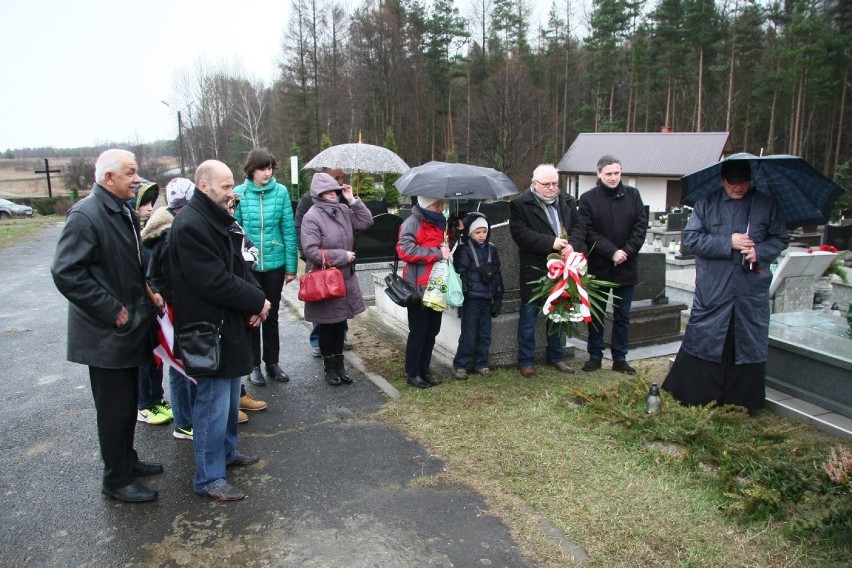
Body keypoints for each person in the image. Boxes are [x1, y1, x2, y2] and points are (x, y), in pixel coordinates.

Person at [52, 148, 162, 503]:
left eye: (137, 171)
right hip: (105, 335)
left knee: (127, 403)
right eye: (130, 173)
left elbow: (128, 264)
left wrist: (148, 292)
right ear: (108, 177)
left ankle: (126, 462)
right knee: (114, 409)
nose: (137, 179)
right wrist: (110, 308)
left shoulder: (121, 211)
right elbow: (66, 272)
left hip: (127, 330)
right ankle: (116, 479)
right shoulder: (86, 215)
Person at [170, 159, 271, 501]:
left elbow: (238, 265)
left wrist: (254, 300)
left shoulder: (218, 219)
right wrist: (256, 302)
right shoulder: (191, 225)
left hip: (226, 326)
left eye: (232, 185)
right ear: (204, 186)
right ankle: (208, 478)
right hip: (207, 330)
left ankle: (226, 454)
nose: (233, 192)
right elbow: (212, 281)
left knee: (228, 403)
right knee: (212, 406)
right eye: (226, 186)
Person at [662, 159, 789, 413]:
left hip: (749, 289)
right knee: (706, 337)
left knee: (746, 338)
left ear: (750, 180)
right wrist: (727, 242)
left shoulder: (765, 204)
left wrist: (760, 252)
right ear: (722, 181)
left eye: (742, 183)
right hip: (715, 287)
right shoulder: (707, 204)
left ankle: (742, 401)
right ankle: (696, 394)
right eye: (732, 184)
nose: (738, 188)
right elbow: (693, 240)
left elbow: (780, 239)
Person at [509, 164, 585, 378]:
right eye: (547, 184)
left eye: (555, 184)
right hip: (535, 270)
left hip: (564, 270)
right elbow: (520, 234)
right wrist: (551, 242)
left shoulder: (567, 201)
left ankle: (557, 356)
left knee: (559, 316)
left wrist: (573, 245)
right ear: (535, 184)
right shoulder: (520, 204)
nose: (552, 188)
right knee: (529, 319)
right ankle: (525, 360)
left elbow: (580, 227)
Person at [300, 172, 374, 385]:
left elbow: (366, 222)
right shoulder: (312, 216)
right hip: (325, 280)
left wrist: (352, 200)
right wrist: (342, 256)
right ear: (318, 193)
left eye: (335, 189)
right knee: (327, 325)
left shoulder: (343, 209)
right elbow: (311, 251)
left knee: (340, 323)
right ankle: (329, 367)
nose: (332, 194)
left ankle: (340, 365)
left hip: (344, 279)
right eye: (327, 191)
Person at [234, 148, 298, 386]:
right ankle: (253, 365)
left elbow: (288, 229)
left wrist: (291, 266)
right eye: (262, 168)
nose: (267, 172)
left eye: (270, 168)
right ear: (252, 170)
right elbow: (234, 229)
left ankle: (273, 362)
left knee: (271, 315)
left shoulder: (280, 192)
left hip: (275, 262)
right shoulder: (239, 193)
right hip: (249, 266)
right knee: (252, 315)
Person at [578, 155, 647, 374]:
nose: (614, 177)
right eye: (609, 173)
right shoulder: (588, 199)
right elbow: (588, 231)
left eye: (617, 173)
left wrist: (625, 251)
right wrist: (612, 252)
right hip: (600, 265)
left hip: (626, 266)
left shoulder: (633, 195)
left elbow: (640, 226)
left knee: (623, 315)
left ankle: (620, 358)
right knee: (597, 314)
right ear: (599, 174)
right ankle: (595, 356)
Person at [294, 167, 354, 357]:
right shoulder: (309, 205)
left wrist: (352, 200)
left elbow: (363, 222)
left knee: (338, 316)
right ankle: (319, 345)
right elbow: (303, 232)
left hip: (343, 267)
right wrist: (308, 256)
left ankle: (338, 355)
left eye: (341, 178)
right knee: (323, 315)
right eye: (336, 178)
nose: (339, 182)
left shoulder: (341, 202)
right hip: (323, 267)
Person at [131, 179, 174, 426]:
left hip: (154, 305)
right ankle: (144, 404)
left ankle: (157, 398)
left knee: (158, 356)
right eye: (143, 204)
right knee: (145, 358)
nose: (149, 209)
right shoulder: (132, 236)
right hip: (139, 306)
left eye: (150, 203)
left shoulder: (150, 236)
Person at [398, 196, 451, 389]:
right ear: (426, 204)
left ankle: (425, 370)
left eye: (442, 205)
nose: (441, 208)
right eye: (437, 205)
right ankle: (413, 373)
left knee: (431, 331)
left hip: (436, 284)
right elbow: (405, 251)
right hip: (419, 285)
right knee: (419, 332)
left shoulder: (440, 223)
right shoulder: (412, 223)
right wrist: (437, 253)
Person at [452, 212, 504, 379]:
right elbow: (460, 271)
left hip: (487, 297)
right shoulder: (464, 249)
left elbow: (497, 272)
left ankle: (482, 363)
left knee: (485, 333)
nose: (482, 235)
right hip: (472, 298)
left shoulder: (492, 249)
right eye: (477, 232)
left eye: (484, 231)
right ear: (470, 233)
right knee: (469, 334)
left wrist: (499, 295)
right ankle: (461, 365)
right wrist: (465, 285)